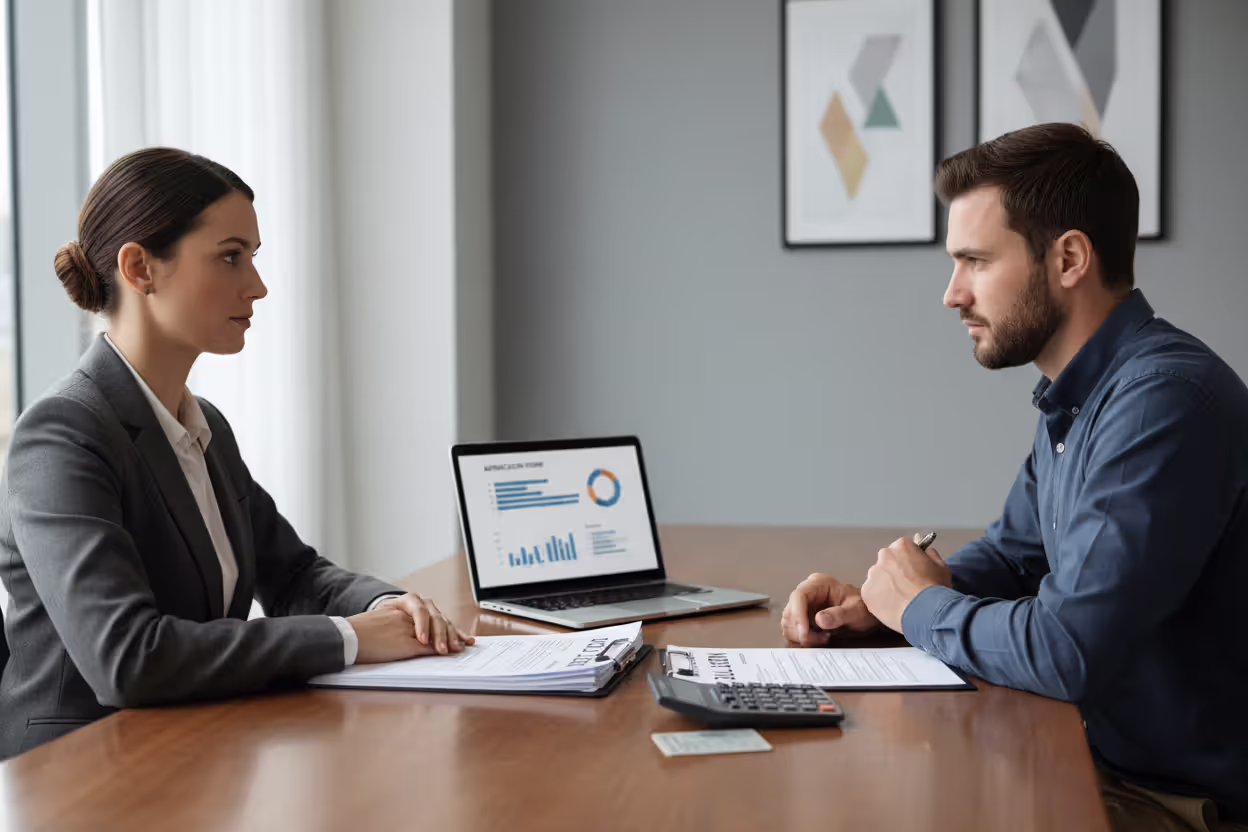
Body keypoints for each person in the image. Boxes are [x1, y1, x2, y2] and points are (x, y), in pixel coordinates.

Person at [780, 124, 1248, 831]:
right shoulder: (1081, 394)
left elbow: (1067, 652)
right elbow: (1012, 556)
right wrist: (880, 607)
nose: (951, 294)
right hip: (1098, 760)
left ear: (1068, 259)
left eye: (973, 260)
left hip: (1177, 801)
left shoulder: (1165, 402)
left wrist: (920, 610)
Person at [0, 148, 474, 758]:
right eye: (230, 257)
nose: (258, 285)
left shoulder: (205, 428)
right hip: (80, 774)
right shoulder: (63, 434)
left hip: (190, 746)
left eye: (253, 258)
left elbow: (294, 574)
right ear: (140, 268)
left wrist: (386, 606)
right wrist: (351, 639)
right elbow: (127, 658)